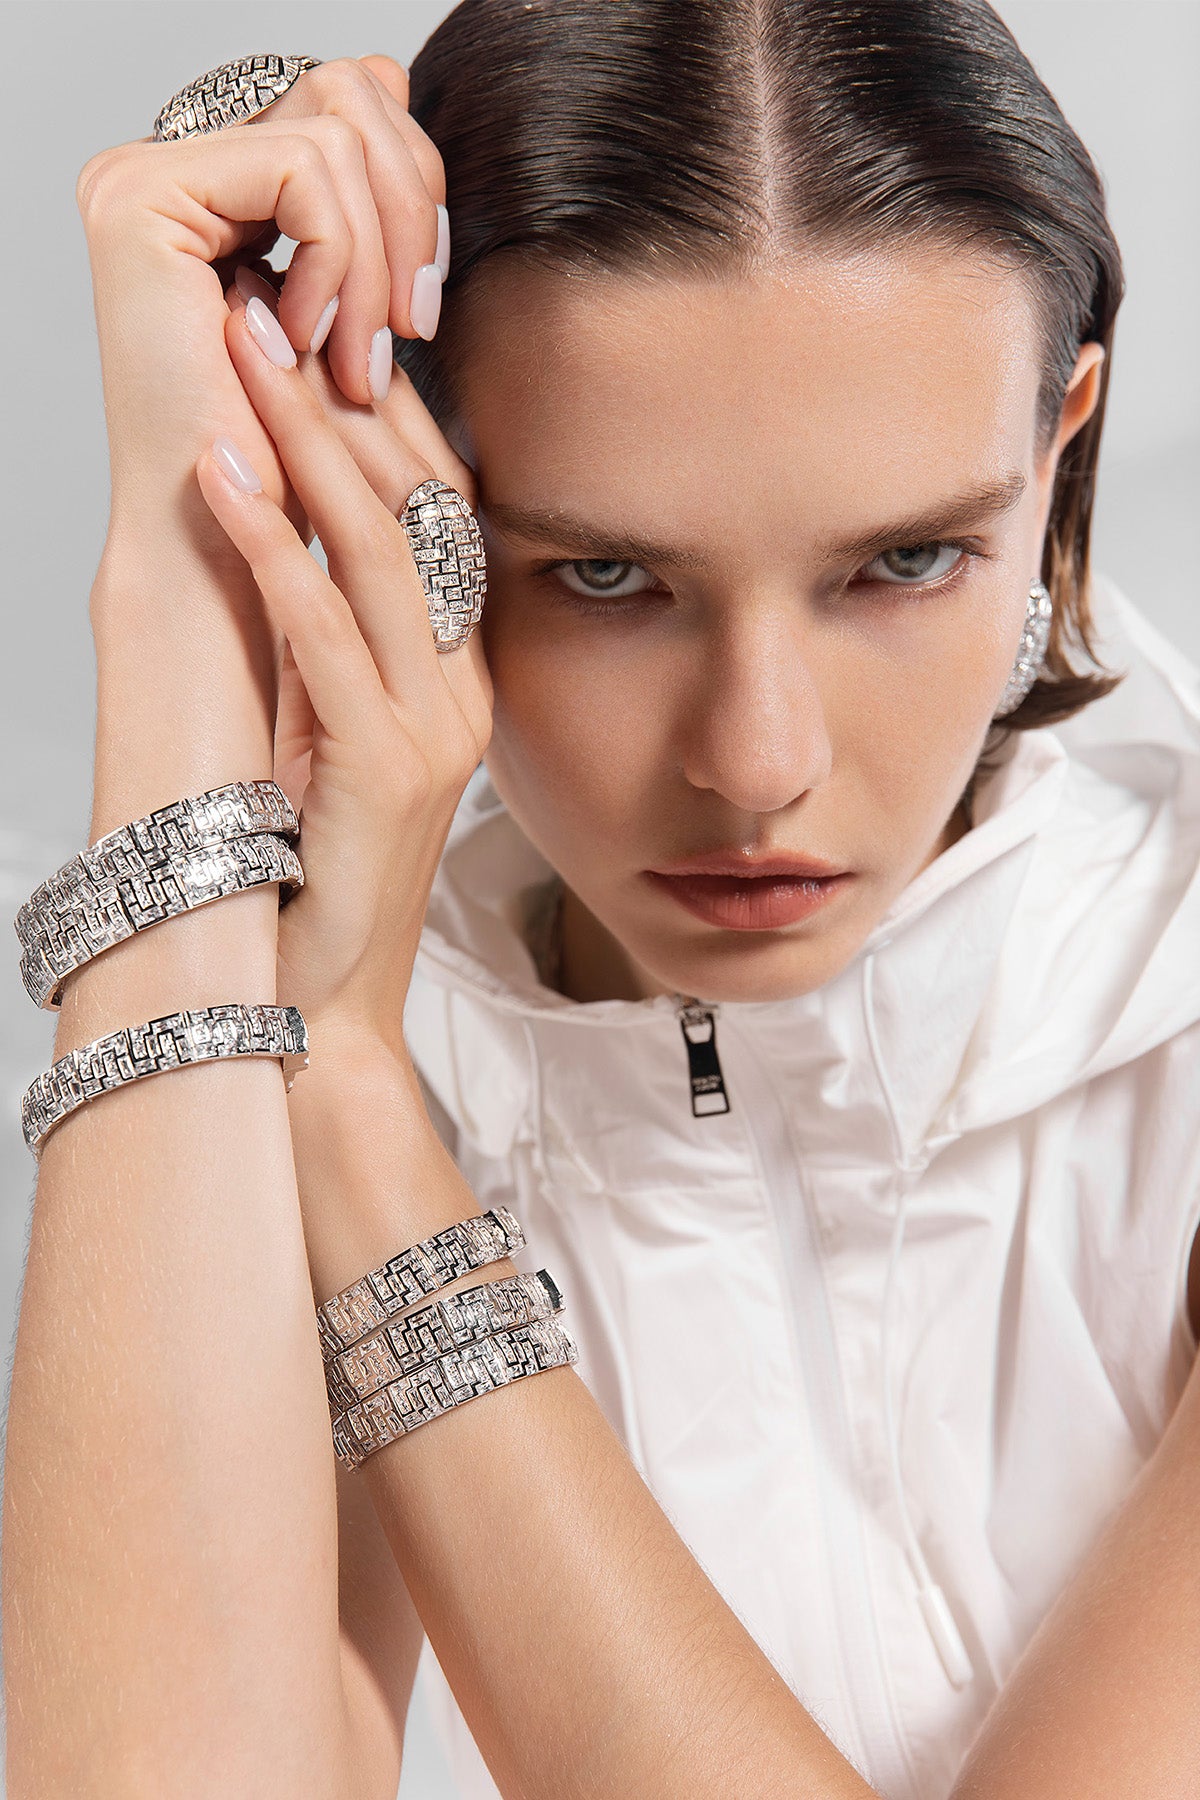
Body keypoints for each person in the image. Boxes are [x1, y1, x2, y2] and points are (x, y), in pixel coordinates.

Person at [3, 5, 1198, 1800]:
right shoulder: (350, 1055)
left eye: (905, 559)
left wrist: (344, 1101)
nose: (759, 760)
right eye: (611, 574)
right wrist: (196, 590)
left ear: (1056, 450)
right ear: (425, 500)